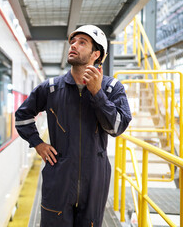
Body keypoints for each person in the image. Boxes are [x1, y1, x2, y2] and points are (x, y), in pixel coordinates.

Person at [15, 25, 132, 227]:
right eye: (73, 42)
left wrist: (98, 94)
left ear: (96, 54)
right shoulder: (51, 88)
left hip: (95, 180)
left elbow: (117, 128)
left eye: (82, 42)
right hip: (59, 177)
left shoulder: (112, 88)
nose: (73, 46)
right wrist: (38, 143)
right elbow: (22, 117)